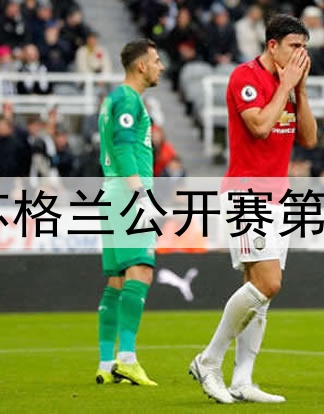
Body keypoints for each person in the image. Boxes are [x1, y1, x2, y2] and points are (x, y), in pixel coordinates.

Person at [188, 14, 317, 404]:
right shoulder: (245, 77)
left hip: (279, 198)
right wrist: (286, 87)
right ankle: (208, 360)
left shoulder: (290, 85)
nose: (301, 54)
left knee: (260, 291)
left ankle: (242, 379)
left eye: (304, 47)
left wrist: (300, 91)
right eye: (294, 46)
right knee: (268, 283)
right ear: (272, 45)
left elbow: (309, 138)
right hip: (246, 195)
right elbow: (259, 126)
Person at [95, 39, 165, 386]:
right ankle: (127, 359)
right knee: (141, 272)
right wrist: (140, 193)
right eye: (156, 60)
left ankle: (106, 363)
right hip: (127, 194)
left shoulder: (111, 100)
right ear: (141, 66)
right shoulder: (128, 99)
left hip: (111, 192)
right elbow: (123, 148)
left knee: (117, 280)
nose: (160, 66)